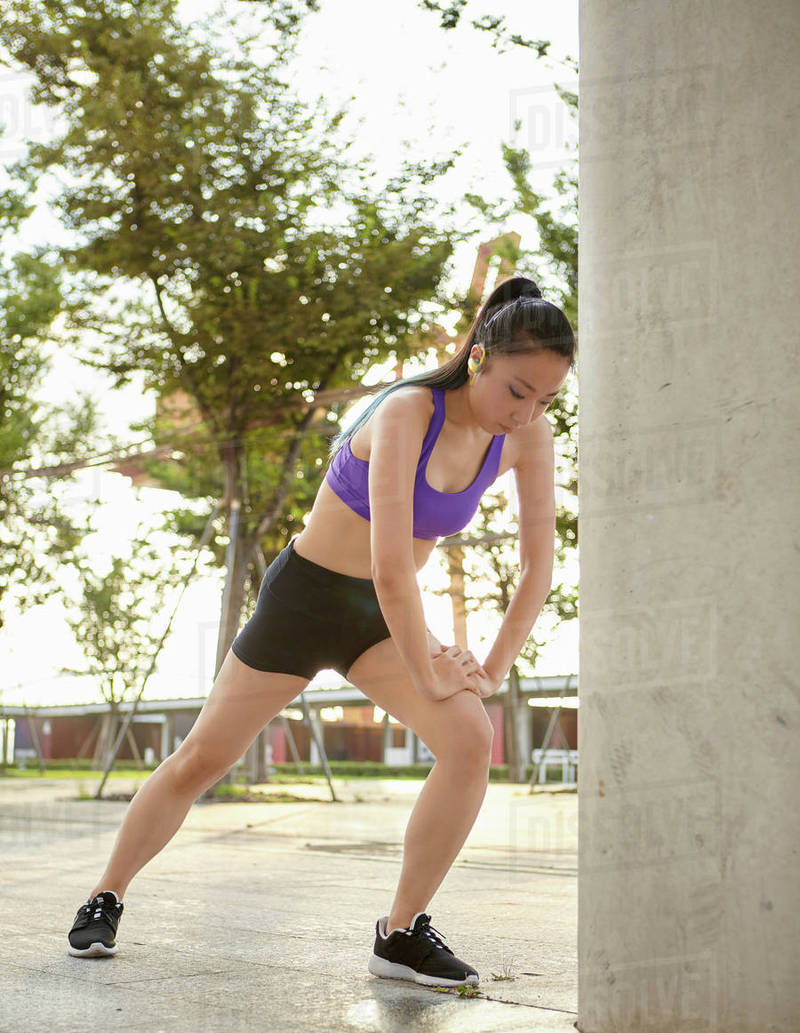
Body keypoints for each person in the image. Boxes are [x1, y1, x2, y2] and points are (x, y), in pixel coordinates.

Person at [67, 274, 576, 988]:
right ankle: (105, 894)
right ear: (479, 354)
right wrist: (431, 668)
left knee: (469, 737)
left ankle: (399, 932)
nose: (527, 414)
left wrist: (489, 671)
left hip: (379, 621)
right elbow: (391, 564)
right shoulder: (407, 412)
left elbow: (535, 566)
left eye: (547, 398)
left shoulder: (527, 439)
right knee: (201, 761)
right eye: (518, 391)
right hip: (304, 603)